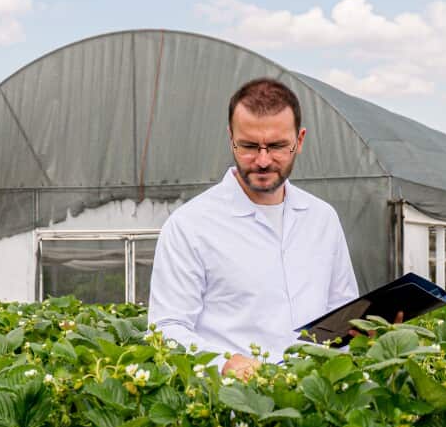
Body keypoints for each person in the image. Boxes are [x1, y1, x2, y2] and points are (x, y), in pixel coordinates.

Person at [147, 78, 359, 380]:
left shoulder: (322, 218)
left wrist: (364, 330)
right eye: (248, 146)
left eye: (277, 146)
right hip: (232, 400)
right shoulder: (190, 226)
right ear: (231, 138)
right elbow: (167, 329)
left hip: (313, 396)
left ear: (299, 140)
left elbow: (341, 311)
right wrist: (224, 363)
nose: (262, 160)